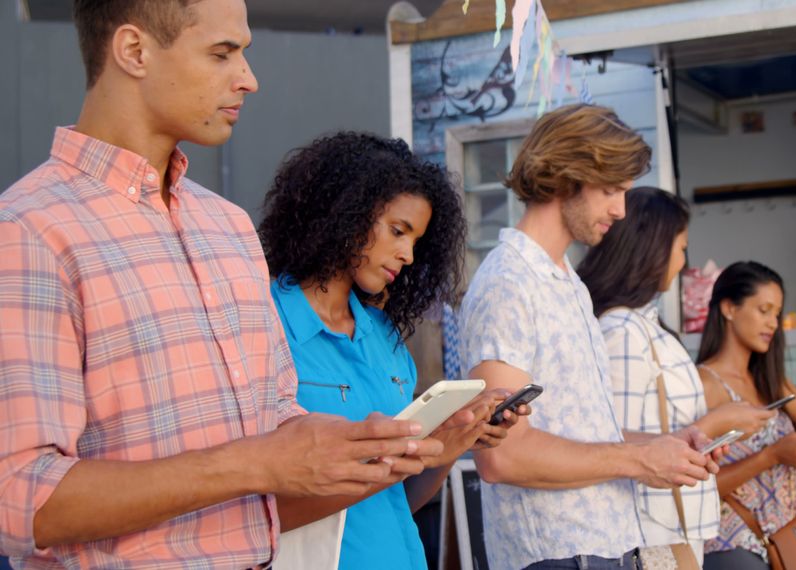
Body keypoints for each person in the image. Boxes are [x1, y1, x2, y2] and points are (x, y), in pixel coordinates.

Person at [0, 2, 439, 567]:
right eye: (222, 53)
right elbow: (20, 501)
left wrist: (359, 450)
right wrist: (255, 461)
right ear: (134, 51)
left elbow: (278, 435)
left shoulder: (228, 228)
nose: (249, 79)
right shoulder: (29, 230)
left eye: (245, 53)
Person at [460, 103, 720, 570]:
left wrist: (663, 444)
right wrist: (639, 462)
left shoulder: (566, 280)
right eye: (610, 190)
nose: (620, 210)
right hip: (556, 555)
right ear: (565, 178)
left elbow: (582, 433)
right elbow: (504, 457)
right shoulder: (508, 283)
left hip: (602, 545)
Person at [258, 131, 528, 569]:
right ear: (343, 213)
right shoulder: (262, 326)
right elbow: (258, 512)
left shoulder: (385, 339)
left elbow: (401, 500)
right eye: (397, 231)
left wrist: (448, 445)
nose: (406, 254)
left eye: (416, 242)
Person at [577, 187, 775, 563]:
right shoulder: (621, 330)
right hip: (654, 530)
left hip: (674, 524)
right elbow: (610, 440)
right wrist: (716, 423)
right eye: (681, 247)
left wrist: (701, 440)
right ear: (652, 248)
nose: (683, 262)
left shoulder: (644, 325)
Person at [694, 262, 796, 569]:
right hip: (732, 546)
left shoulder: (770, 380)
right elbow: (696, 485)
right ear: (729, 308)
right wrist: (772, 456)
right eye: (764, 310)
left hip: (782, 543)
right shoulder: (704, 383)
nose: (773, 323)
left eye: (777, 314)